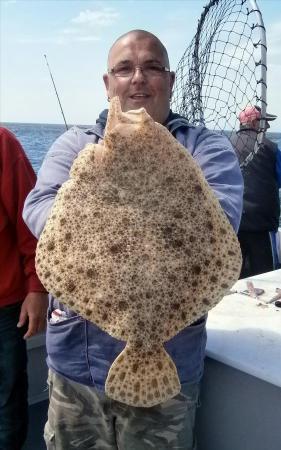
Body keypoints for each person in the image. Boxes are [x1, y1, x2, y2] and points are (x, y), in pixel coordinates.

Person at [23, 30, 243, 450]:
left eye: (152, 67)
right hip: (74, 362)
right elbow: (38, 207)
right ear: (108, 84)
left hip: (171, 363)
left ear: (170, 80)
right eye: (125, 68)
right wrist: (94, 206)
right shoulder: (76, 143)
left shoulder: (205, 147)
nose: (138, 77)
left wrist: (109, 202)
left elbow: (223, 217)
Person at [0, 127, 48, 450]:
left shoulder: (4, 144)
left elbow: (31, 224)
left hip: (5, 307)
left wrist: (37, 287)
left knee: (8, 398)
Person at [230, 105, 281, 278]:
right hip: (262, 226)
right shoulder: (271, 147)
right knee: (265, 277)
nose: (267, 127)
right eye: (264, 123)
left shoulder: (225, 145)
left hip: (232, 224)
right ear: (253, 122)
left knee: (234, 275)